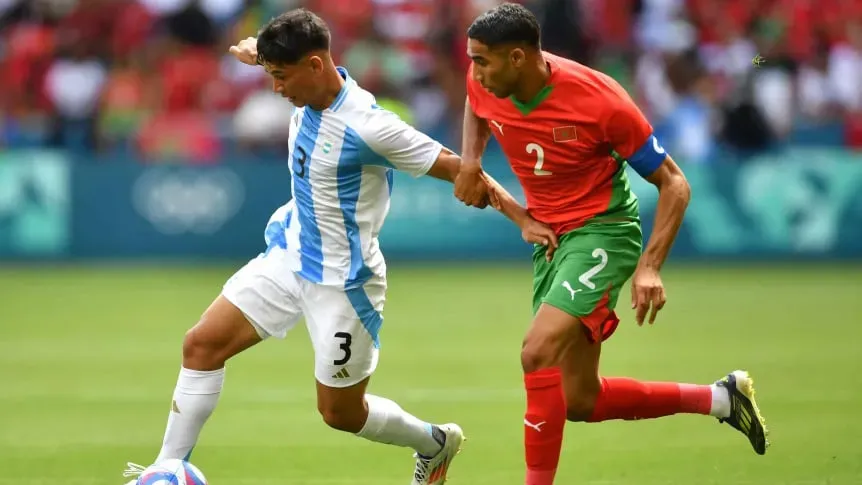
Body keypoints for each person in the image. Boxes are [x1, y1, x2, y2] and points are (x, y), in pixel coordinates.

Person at [121, 8, 556, 485]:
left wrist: (521, 219)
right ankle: (165, 471)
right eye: (271, 74)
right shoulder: (305, 84)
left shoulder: (370, 126)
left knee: (340, 413)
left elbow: (459, 168)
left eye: (282, 77)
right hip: (289, 258)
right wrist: (254, 54)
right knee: (200, 345)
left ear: (315, 66)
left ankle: (434, 443)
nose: (276, 89)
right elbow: (265, 58)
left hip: (344, 286)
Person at [454, 4, 769, 484]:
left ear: (517, 58)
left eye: (482, 61)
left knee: (535, 351)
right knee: (580, 401)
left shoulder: (600, 100)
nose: (474, 72)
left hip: (603, 231)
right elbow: (476, 103)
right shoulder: (487, 78)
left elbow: (675, 184)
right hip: (553, 242)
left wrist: (650, 267)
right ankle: (721, 398)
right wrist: (471, 162)